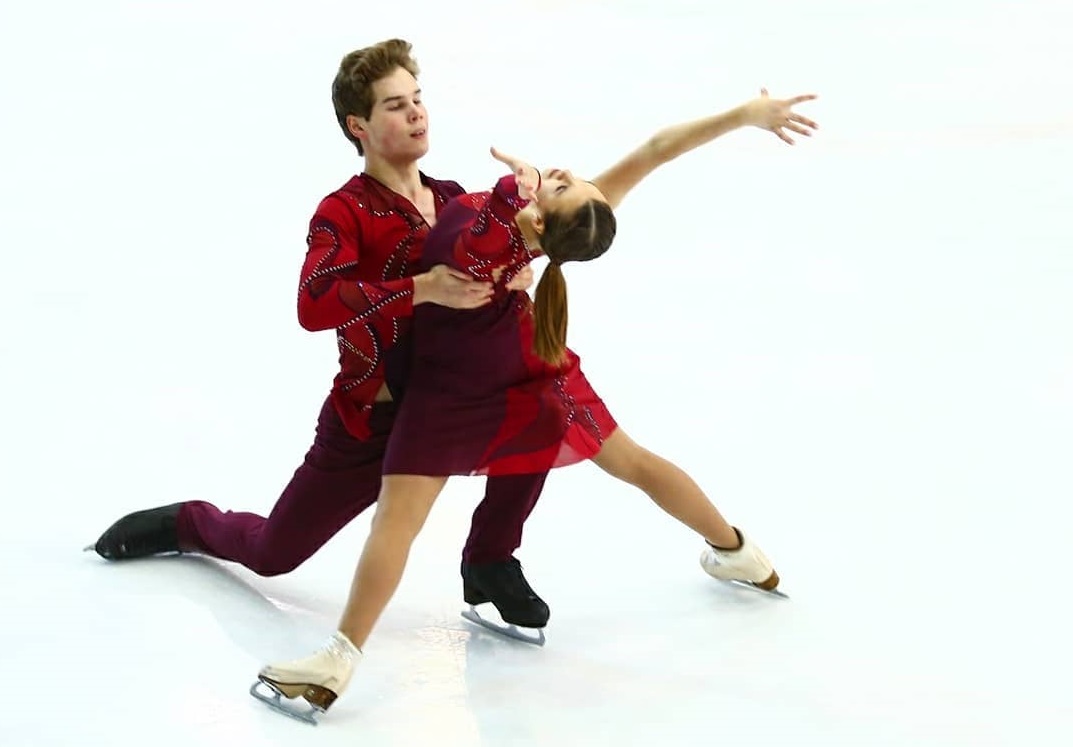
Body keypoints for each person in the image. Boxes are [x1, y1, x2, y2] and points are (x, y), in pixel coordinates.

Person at [254, 88, 819, 718]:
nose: (566, 173)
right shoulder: (551, 231)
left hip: (457, 392)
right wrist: (742, 116)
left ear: (546, 224)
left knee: (401, 521)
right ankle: (740, 553)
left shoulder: (499, 238)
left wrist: (510, 188)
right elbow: (655, 150)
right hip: (518, 370)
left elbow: (481, 237)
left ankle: (339, 659)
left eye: (564, 186)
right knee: (630, 462)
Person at [87, 38, 555, 632]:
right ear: (358, 126)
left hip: (451, 407)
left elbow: (487, 267)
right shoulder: (344, 211)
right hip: (374, 417)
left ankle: (491, 559)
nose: (416, 113)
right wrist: (421, 287)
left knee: (541, 411)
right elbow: (314, 304)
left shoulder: (453, 198)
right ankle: (188, 522)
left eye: (417, 99)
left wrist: (514, 271)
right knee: (272, 554)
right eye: (395, 105)